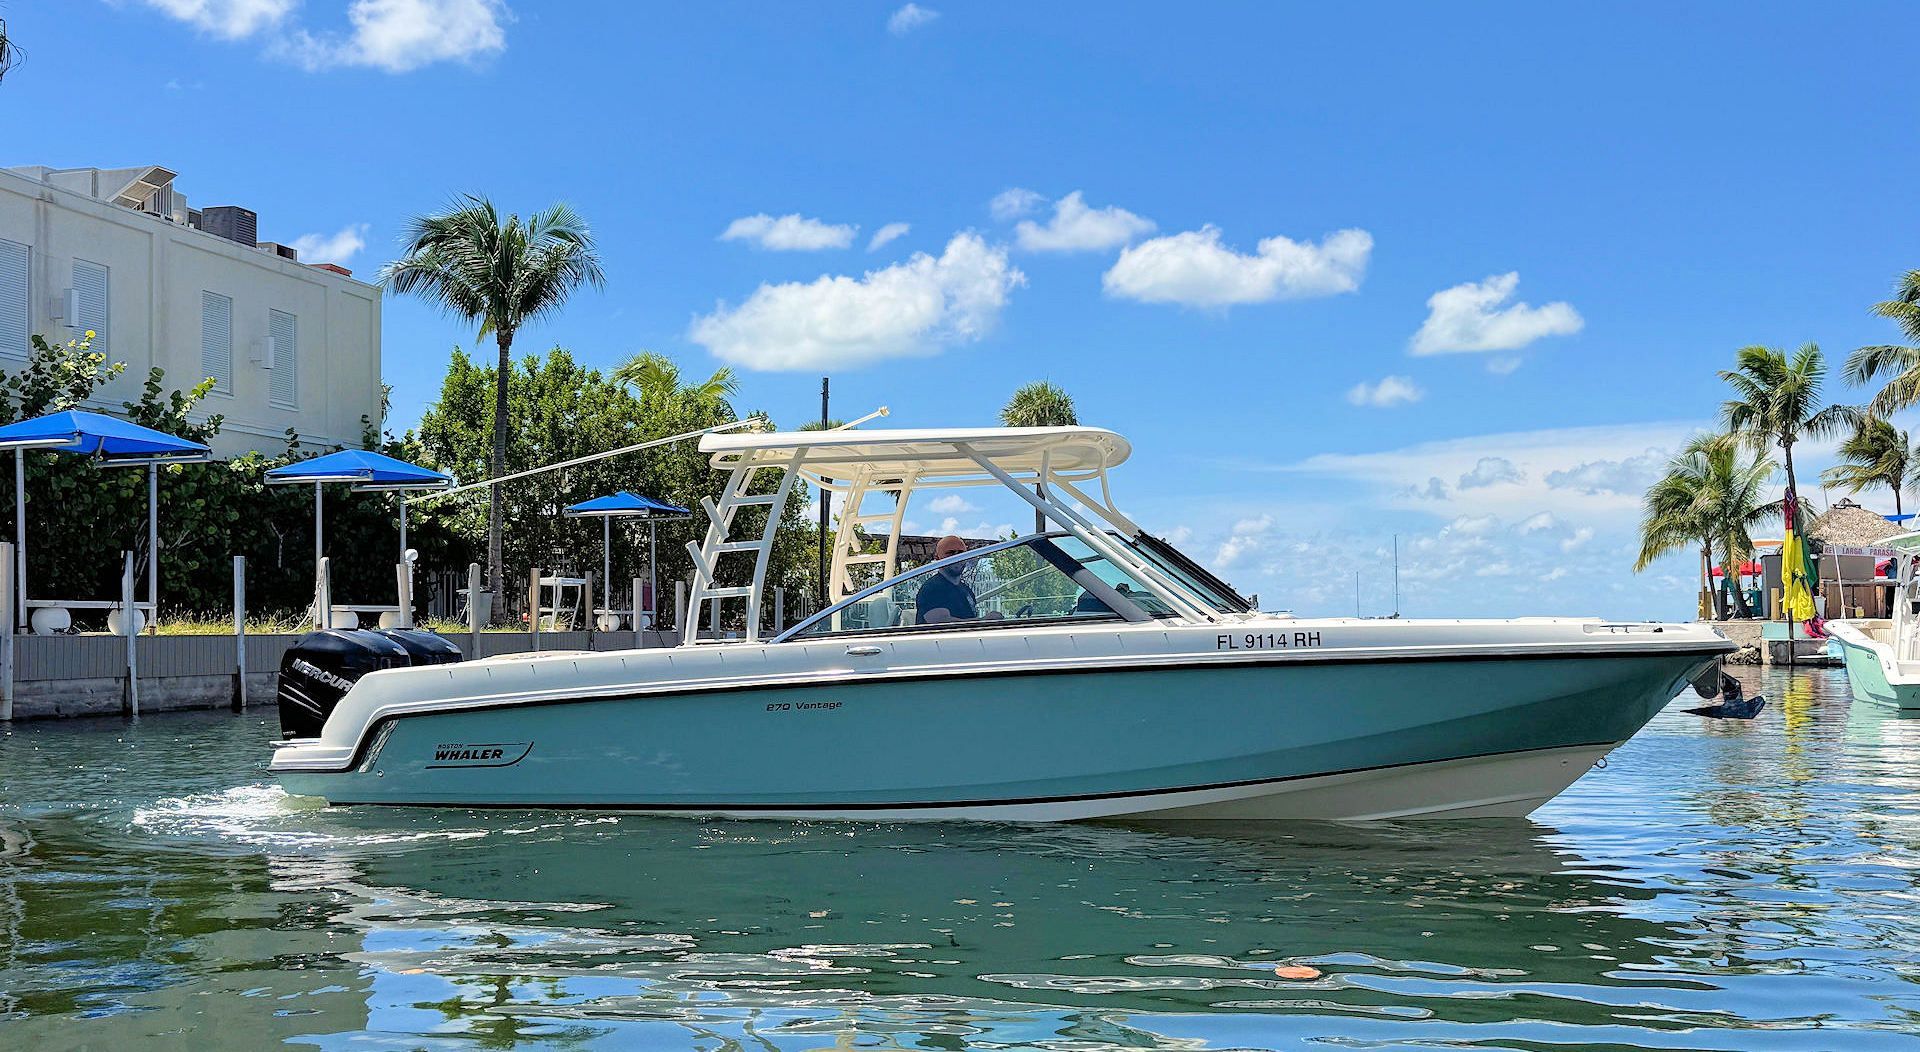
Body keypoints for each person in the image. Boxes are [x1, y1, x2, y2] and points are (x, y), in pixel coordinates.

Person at [916, 535, 978, 623]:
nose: (957, 558)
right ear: (937, 558)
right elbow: (942, 624)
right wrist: (984, 621)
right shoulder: (932, 589)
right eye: (950, 553)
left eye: (961, 553)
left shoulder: (965, 589)